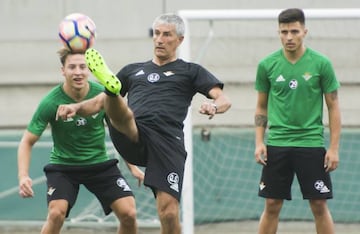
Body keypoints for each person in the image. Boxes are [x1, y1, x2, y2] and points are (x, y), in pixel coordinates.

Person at [56, 13, 231, 234]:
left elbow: (224, 100)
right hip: (133, 132)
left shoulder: (191, 71)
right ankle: (111, 87)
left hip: (167, 142)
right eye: (156, 34)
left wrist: (213, 107)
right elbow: (97, 103)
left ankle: (112, 90)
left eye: (166, 35)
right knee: (121, 109)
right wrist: (76, 107)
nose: (159, 39)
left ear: (180, 39)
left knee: (168, 212)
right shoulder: (132, 70)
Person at [17, 48, 144, 234]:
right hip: (64, 168)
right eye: (72, 67)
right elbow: (27, 141)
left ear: (90, 70)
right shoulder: (50, 102)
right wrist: (23, 176)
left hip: (100, 165)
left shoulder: (102, 95)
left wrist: (133, 168)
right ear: (63, 71)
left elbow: (120, 130)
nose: (78, 72)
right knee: (56, 214)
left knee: (129, 213)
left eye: (83, 67)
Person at [254, 8, 341, 234]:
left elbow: (333, 107)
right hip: (277, 144)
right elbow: (261, 106)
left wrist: (333, 148)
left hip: (311, 144)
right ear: (278, 32)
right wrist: (259, 142)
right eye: (284, 32)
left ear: (305, 31)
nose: (289, 37)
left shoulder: (322, 64)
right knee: (272, 204)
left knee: (319, 204)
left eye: (294, 31)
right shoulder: (266, 65)